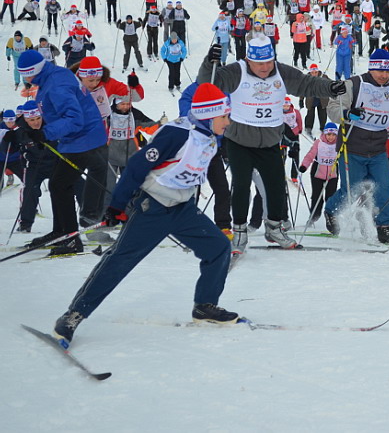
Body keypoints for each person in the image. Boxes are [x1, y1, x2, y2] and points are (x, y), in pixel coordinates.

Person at [52, 83, 240, 348]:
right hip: (153, 208)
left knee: (219, 247)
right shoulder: (176, 133)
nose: (228, 122)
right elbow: (137, 167)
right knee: (119, 261)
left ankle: (205, 306)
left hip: (183, 208)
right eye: (225, 116)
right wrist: (117, 206)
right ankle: (72, 316)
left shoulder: (207, 134)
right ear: (210, 114)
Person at [197, 39, 345, 251]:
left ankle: (274, 228)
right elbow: (208, 83)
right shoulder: (236, 71)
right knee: (241, 185)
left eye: (269, 62)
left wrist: (330, 87)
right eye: (260, 64)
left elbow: (307, 83)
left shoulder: (281, 72)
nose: (265, 67)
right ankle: (239, 231)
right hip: (240, 141)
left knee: (276, 186)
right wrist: (209, 62)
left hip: (269, 142)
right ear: (248, 60)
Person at [324, 49, 389, 244]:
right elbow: (333, 108)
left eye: (387, 72)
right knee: (350, 190)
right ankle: (330, 211)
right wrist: (346, 114)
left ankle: (385, 226)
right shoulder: (354, 84)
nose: (384, 76)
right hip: (352, 146)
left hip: (378, 149)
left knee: (384, 188)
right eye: (380, 71)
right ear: (371, 68)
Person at [16, 50, 109, 255]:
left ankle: (71, 238)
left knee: (59, 185)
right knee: (58, 184)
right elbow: (54, 110)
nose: (26, 79)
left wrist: (46, 132)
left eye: (27, 74)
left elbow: (75, 119)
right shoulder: (54, 75)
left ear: (35, 71)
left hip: (83, 140)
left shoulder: (56, 85)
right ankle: (61, 232)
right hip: (75, 139)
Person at [14, 101, 58, 233]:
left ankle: (91, 217)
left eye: (38, 118)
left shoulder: (51, 125)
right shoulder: (20, 132)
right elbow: (9, 151)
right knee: (30, 191)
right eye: (31, 120)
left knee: (75, 185)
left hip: (55, 163)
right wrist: (7, 142)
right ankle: (25, 224)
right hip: (34, 166)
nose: (36, 122)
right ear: (26, 119)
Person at [299, 122, 340, 225]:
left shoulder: (339, 144)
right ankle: (314, 216)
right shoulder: (319, 142)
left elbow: (344, 157)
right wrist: (304, 165)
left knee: (330, 197)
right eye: (329, 135)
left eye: (333, 135)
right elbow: (310, 155)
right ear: (325, 134)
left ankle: (331, 218)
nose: (331, 137)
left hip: (332, 174)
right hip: (317, 173)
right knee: (317, 196)